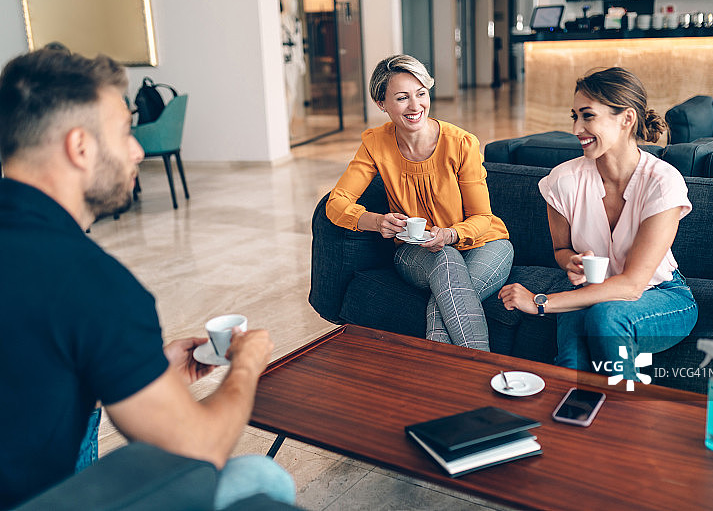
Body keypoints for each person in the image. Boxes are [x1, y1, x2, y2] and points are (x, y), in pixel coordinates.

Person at [0, 47, 295, 509]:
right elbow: (199, 449)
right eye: (124, 131)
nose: (138, 148)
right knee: (260, 476)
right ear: (80, 147)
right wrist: (247, 365)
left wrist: (128, 366)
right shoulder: (90, 282)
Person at [499, 67, 698, 381]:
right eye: (574, 115)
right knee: (570, 366)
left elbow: (633, 286)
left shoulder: (663, 183)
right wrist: (571, 262)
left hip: (660, 293)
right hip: (589, 288)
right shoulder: (562, 180)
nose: (577, 127)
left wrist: (541, 302)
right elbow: (561, 249)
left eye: (588, 116)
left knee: (607, 317)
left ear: (626, 119)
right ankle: (568, 425)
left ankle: (628, 421)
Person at [326, 54, 513, 351]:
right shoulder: (375, 143)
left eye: (421, 94)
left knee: (448, 300)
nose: (416, 106)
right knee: (446, 260)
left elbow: (482, 217)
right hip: (417, 253)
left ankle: (442, 382)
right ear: (381, 104)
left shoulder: (461, 143)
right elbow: (336, 203)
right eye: (402, 98)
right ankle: (485, 374)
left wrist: (450, 234)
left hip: (486, 244)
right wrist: (376, 221)